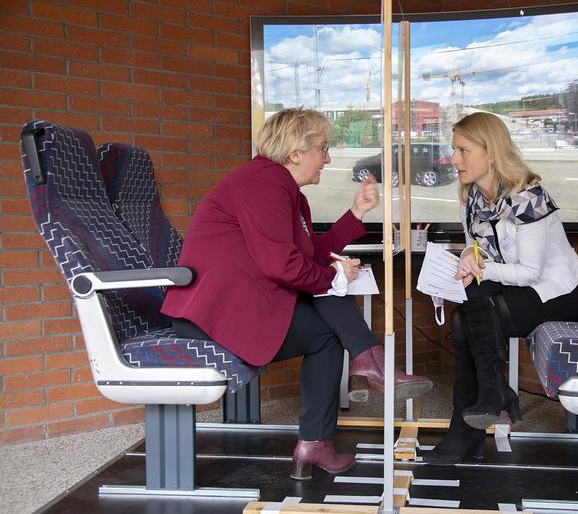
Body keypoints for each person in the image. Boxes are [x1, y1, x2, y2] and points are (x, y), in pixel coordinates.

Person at [162, 107, 432, 480]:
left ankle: (364, 369)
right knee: (327, 321)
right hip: (214, 315)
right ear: (295, 153)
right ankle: (357, 379)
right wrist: (334, 275)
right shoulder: (263, 184)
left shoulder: (282, 188)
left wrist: (355, 214)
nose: (328, 157)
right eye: (323, 148)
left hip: (241, 302)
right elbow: (284, 267)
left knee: (328, 305)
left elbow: (305, 256)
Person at [423, 112, 578, 465]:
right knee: (466, 308)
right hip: (511, 286)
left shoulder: (528, 196)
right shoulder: (472, 196)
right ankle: (488, 399)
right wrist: (470, 255)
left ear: (491, 152)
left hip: (557, 294)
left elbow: (530, 273)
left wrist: (479, 267)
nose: (453, 160)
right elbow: (475, 245)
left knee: (470, 313)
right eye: (454, 150)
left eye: (463, 151)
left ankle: (467, 425)